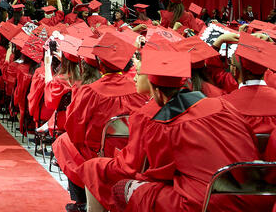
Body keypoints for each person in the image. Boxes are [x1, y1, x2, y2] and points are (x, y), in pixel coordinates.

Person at [82, 50, 268, 212]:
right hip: (256, 197)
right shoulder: (223, 105)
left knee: (125, 188)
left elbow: (158, 174)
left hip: (206, 203)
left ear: (156, 92)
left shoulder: (165, 124)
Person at [52, 33, 147, 211]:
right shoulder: (139, 89)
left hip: (99, 153)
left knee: (62, 142)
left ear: (100, 65)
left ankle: (81, 200)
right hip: (133, 153)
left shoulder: (90, 91)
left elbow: (75, 131)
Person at [221, 32, 276, 135]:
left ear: (234, 70)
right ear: (266, 69)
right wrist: (270, 42)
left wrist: (218, 42)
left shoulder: (224, 105)